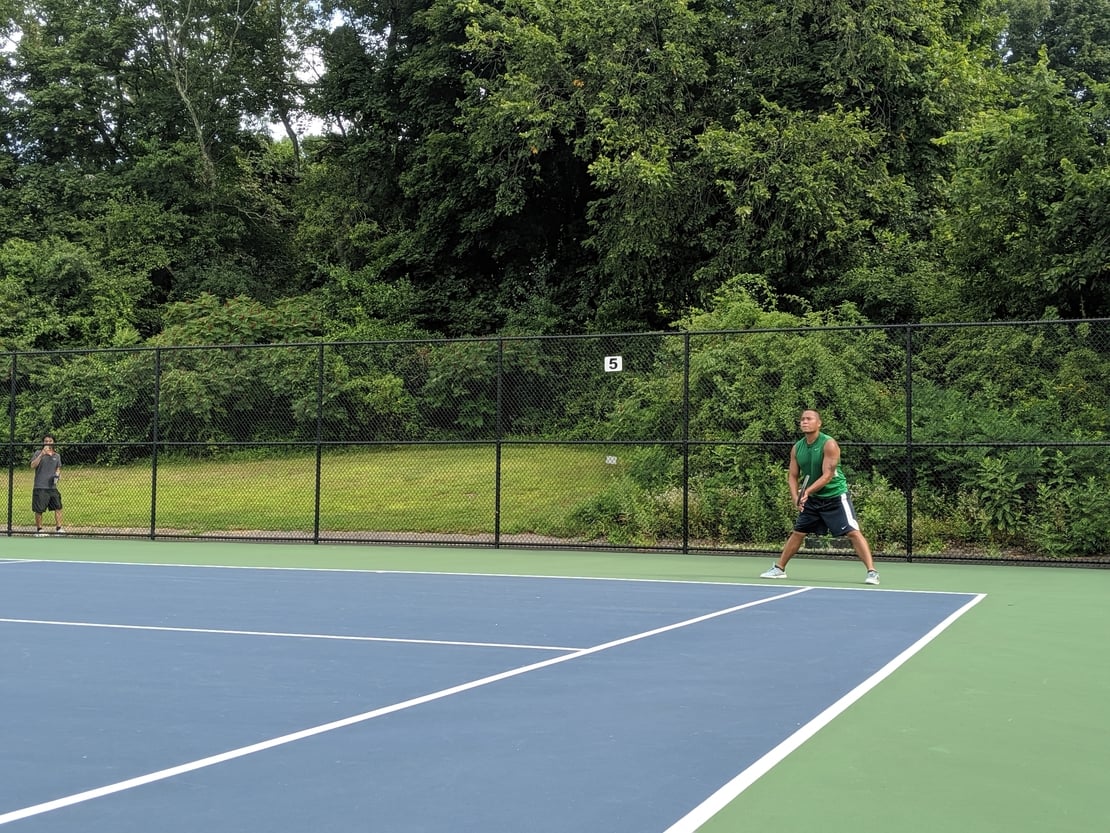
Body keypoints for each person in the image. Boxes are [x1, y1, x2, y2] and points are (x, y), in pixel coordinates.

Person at [761, 409, 879, 585]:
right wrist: (795, 496)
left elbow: (828, 475)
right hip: (814, 500)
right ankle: (779, 569)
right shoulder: (797, 448)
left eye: (809, 419)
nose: (804, 422)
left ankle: (872, 572)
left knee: (853, 532)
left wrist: (807, 491)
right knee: (798, 533)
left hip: (835, 496)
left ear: (819, 423)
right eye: (802, 419)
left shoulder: (829, 444)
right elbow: (792, 476)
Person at [31, 434, 65, 537]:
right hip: (40, 487)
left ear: (53, 442)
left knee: (58, 507)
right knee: (39, 509)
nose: (48, 443)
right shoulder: (38, 453)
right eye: (46, 441)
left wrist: (57, 476)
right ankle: (39, 530)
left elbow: (58, 469)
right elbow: (32, 466)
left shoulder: (57, 456)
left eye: (50, 441)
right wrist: (42, 454)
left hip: (52, 487)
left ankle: (59, 529)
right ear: (43, 443)